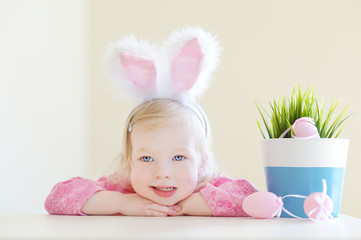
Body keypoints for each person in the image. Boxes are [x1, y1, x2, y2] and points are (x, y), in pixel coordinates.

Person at [44, 27, 258, 217]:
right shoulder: (121, 188)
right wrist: (122, 203)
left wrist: (193, 204)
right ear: (129, 162)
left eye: (178, 157)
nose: (162, 173)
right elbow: (57, 198)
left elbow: (252, 199)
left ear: (202, 162)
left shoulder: (207, 186)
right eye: (146, 158)